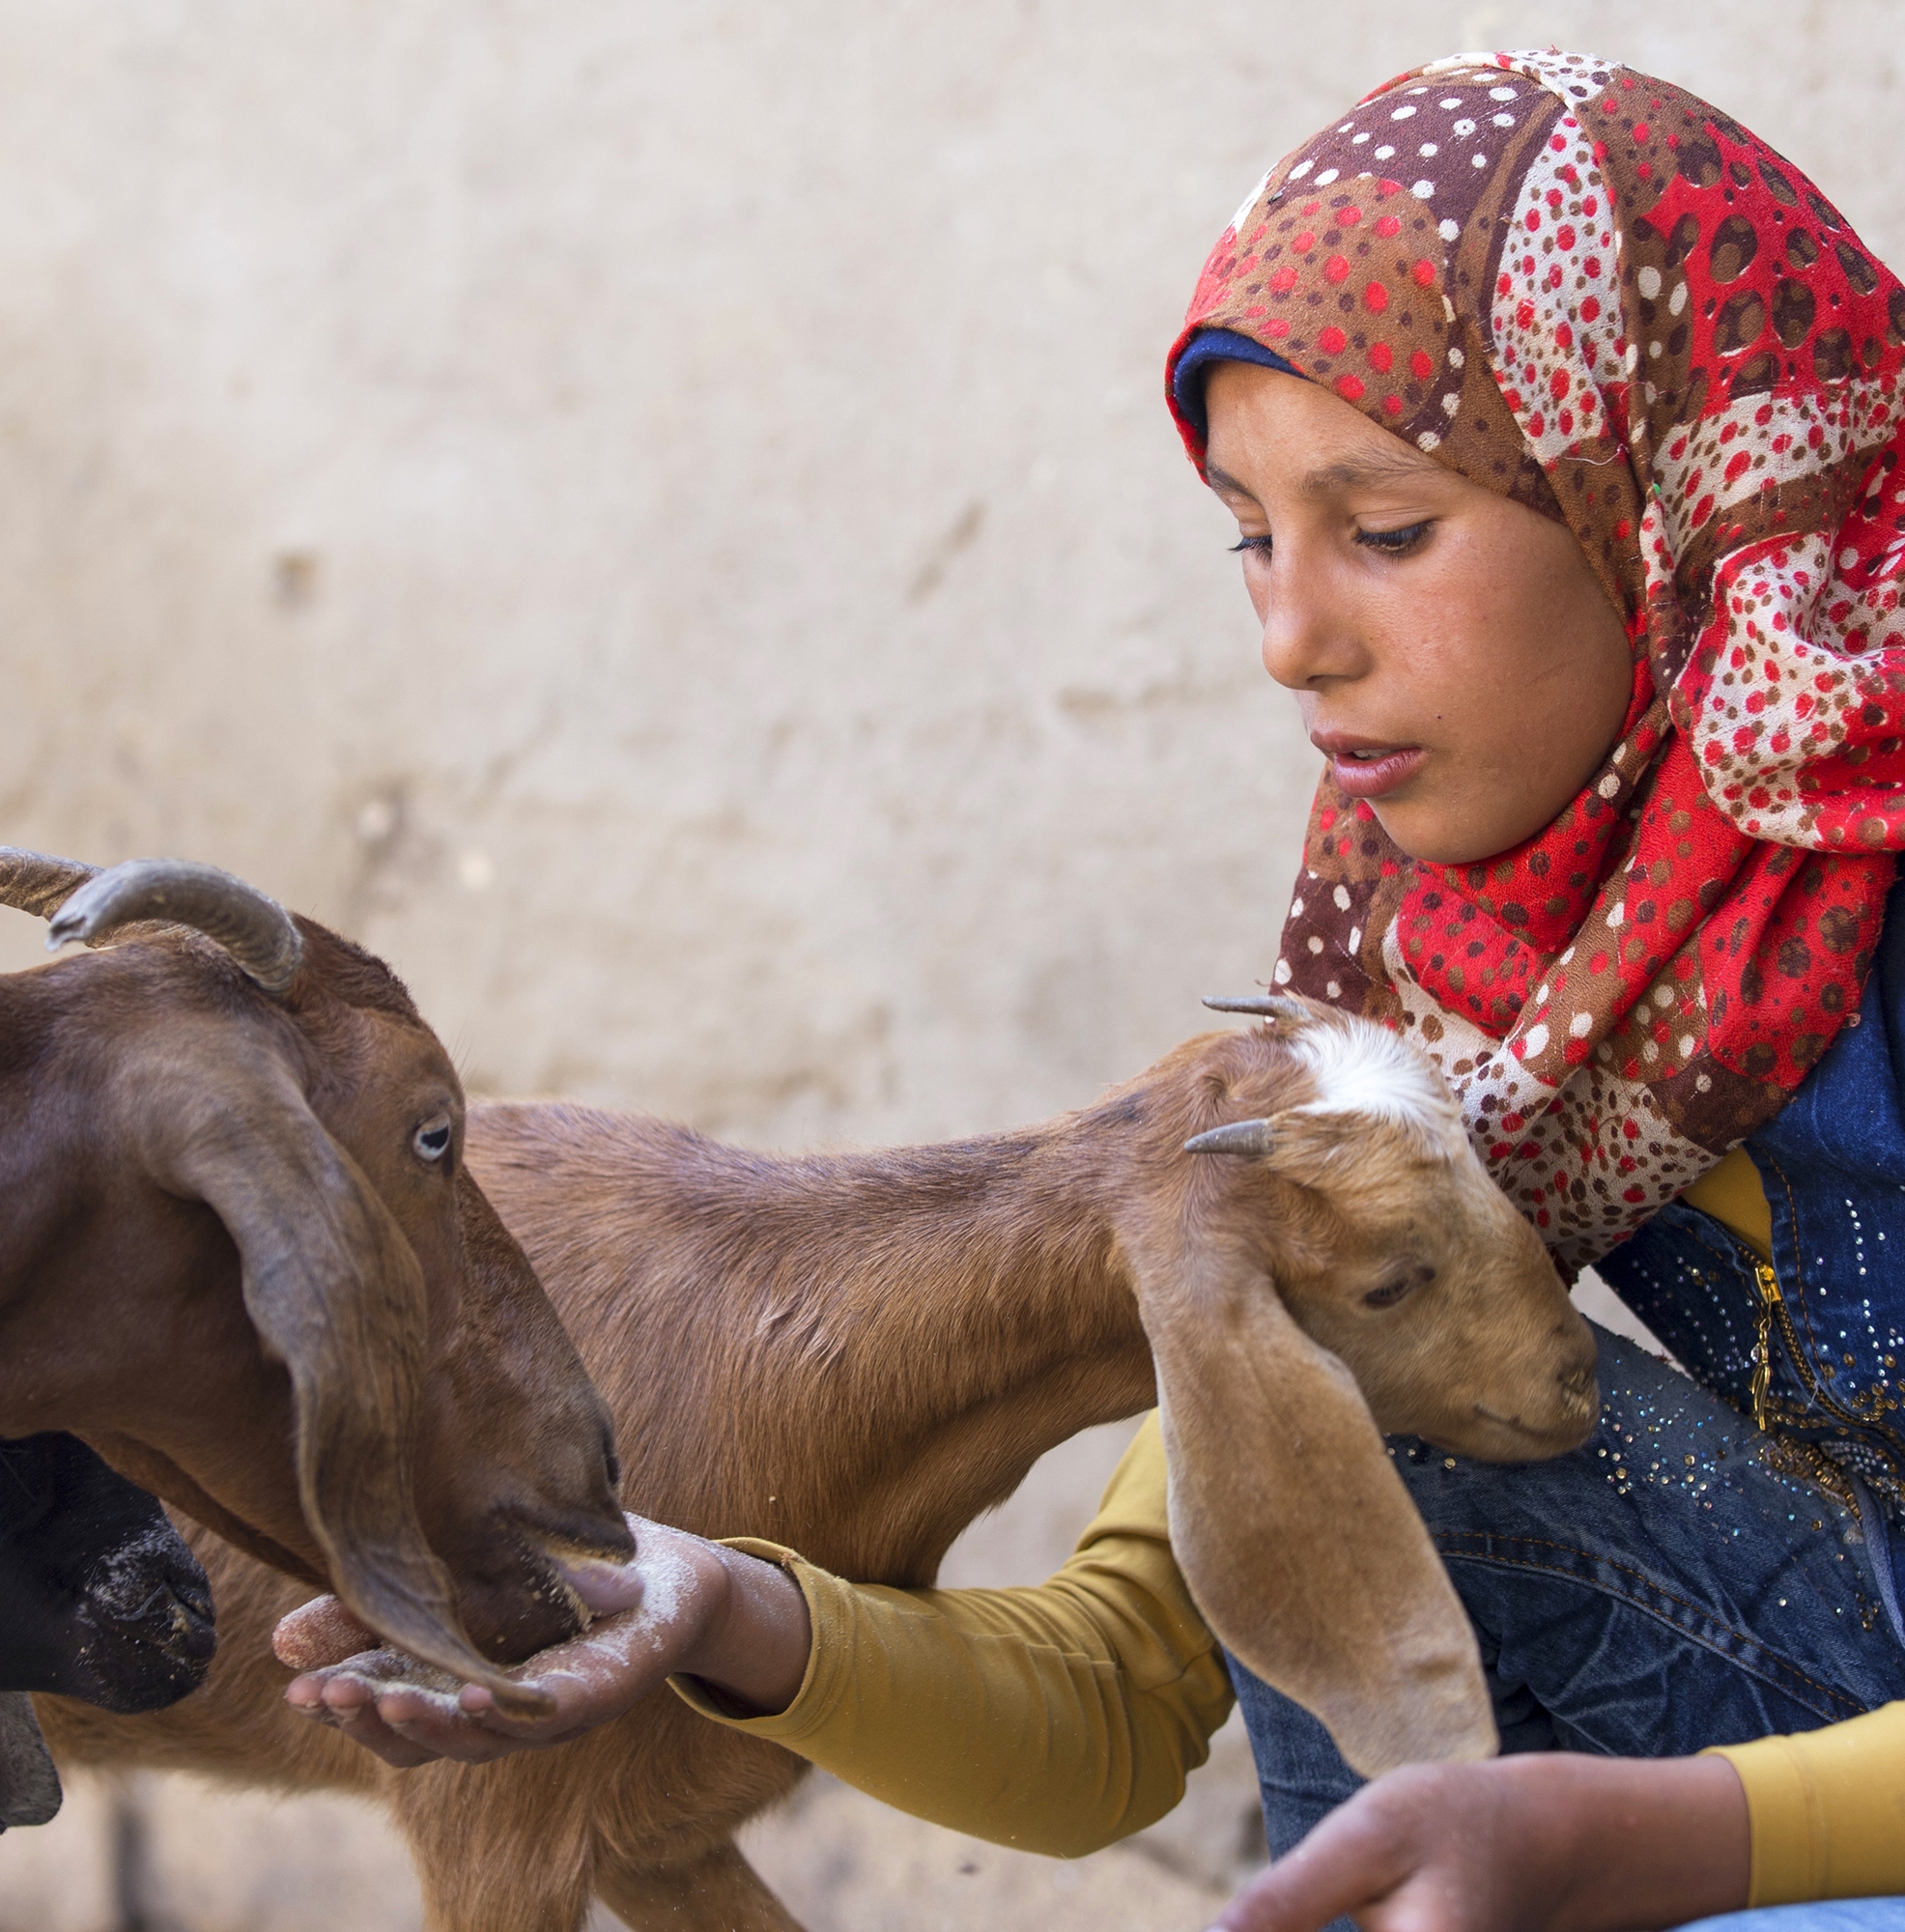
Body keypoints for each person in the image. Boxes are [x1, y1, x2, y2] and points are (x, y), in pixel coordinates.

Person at [277, 48, 1905, 1932]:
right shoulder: (1457, 981)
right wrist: (715, 1603)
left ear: (1648, 488)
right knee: (1371, 1408)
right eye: (1248, 534)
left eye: (1383, 530)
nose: (1291, 634)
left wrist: (1631, 1847)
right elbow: (1115, 1696)